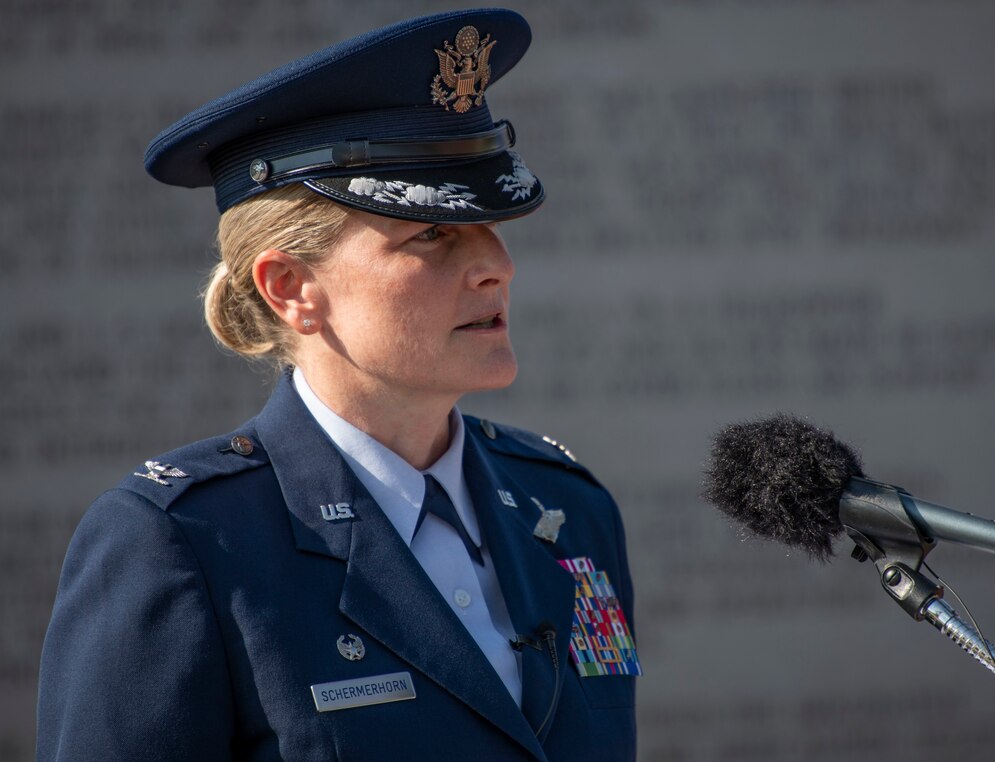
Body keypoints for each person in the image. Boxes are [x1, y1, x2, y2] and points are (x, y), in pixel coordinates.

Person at [36, 8, 639, 761]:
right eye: (432, 233)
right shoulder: (181, 542)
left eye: (493, 227)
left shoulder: (569, 510)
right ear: (291, 286)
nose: (496, 267)